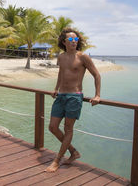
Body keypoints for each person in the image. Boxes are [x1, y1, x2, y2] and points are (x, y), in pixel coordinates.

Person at [45, 28, 101, 172]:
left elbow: (97, 75)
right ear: (64, 42)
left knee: (68, 129)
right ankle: (73, 152)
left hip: (75, 97)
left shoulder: (83, 57)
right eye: (71, 39)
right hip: (61, 96)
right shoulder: (61, 57)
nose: (74, 42)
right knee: (52, 127)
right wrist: (56, 88)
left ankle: (57, 160)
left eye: (76, 39)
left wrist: (97, 95)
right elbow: (61, 73)